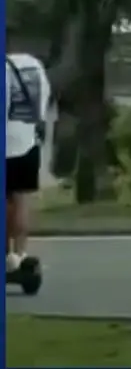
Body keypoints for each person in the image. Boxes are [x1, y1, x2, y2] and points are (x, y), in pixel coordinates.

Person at [6, 34, 51, 273]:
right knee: (20, 199)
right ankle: (20, 254)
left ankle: (5, 255)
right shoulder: (33, 65)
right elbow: (42, 102)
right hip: (26, 140)